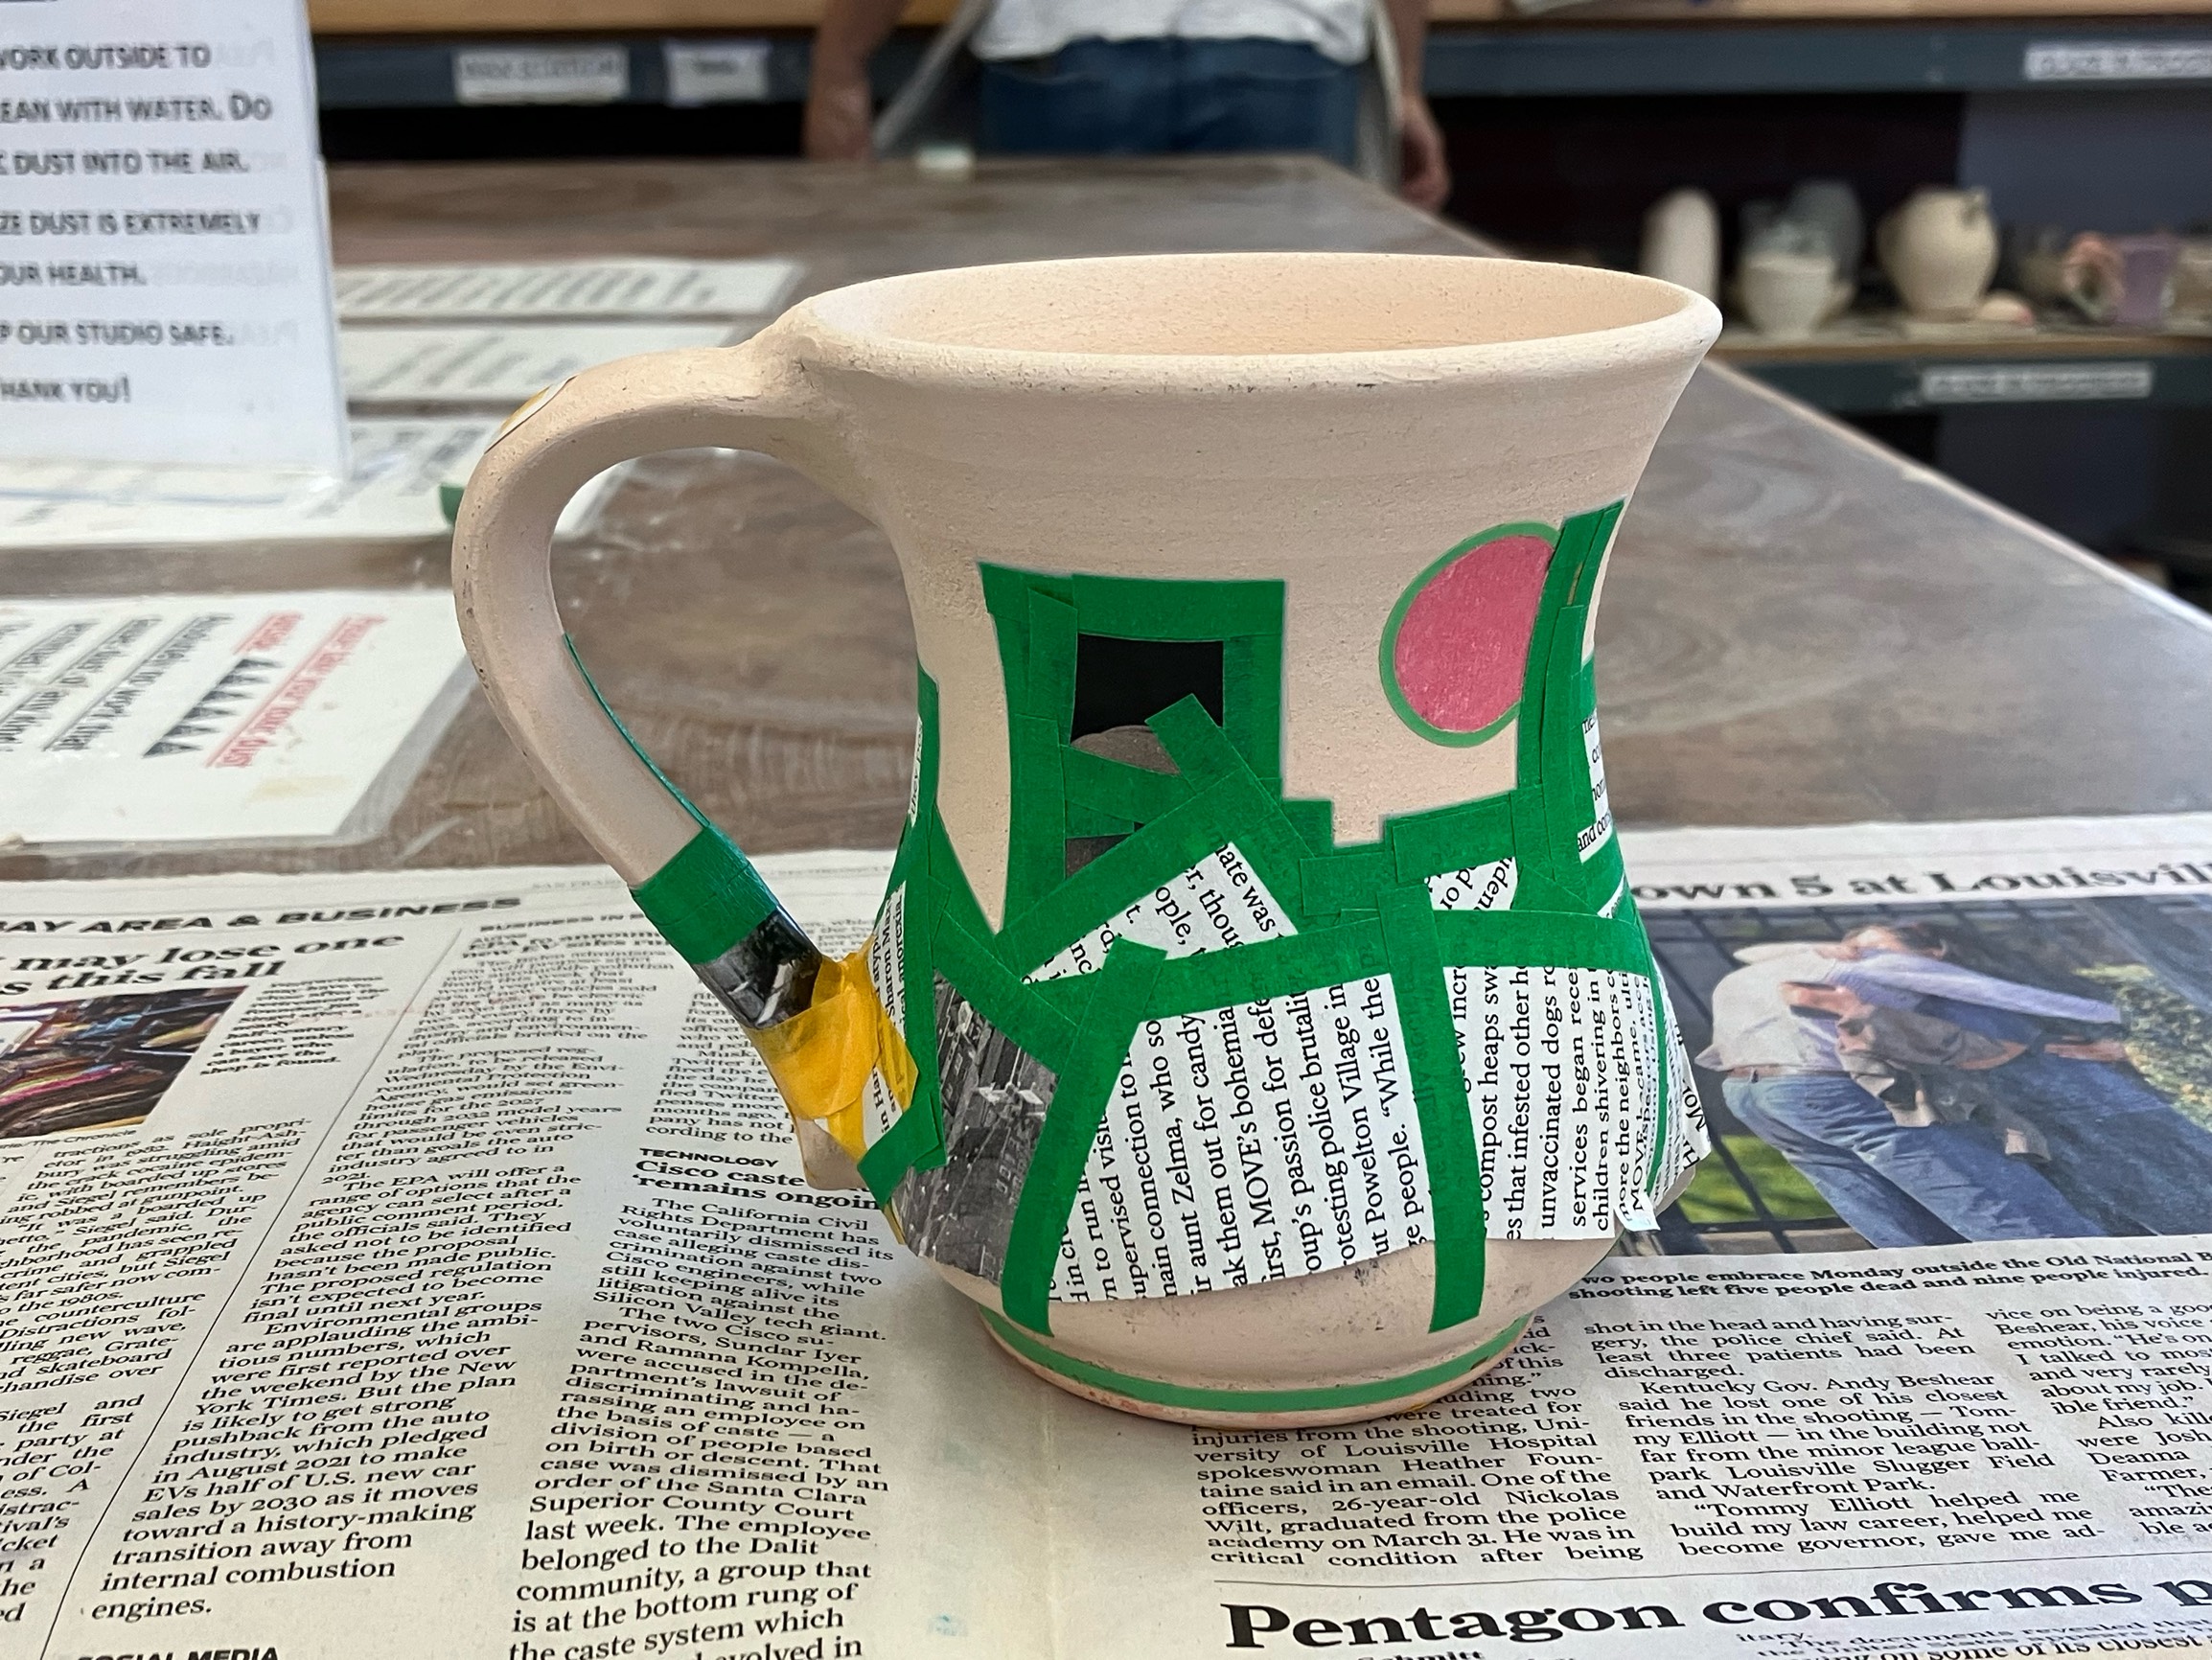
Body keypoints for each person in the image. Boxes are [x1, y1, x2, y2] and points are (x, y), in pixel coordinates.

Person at [804, 0, 1452, 211]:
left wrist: (839, 69)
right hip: (1283, 50)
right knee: (1288, 336)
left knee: (1050, 336)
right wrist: (1404, 88)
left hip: (1067, 52)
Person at [1698, 941, 2102, 1247]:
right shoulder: (1879, 966)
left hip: (1750, 1092)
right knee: (1971, 1182)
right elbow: (2003, 1006)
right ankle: (2068, 1263)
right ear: (1932, 948)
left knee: (1869, 1197)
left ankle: (1938, 1283)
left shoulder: (1757, 972)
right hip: (1821, 1084)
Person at [1831, 924, 2212, 1235]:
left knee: (2178, 1186)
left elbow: (2002, 1046)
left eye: (1877, 951)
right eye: (1858, 954)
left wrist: (2126, 1049)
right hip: (2050, 1119)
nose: (1866, 962)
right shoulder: (1909, 1005)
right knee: (2126, 1201)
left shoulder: (1981, 989)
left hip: (2104, 1104)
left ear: (1934, 953)